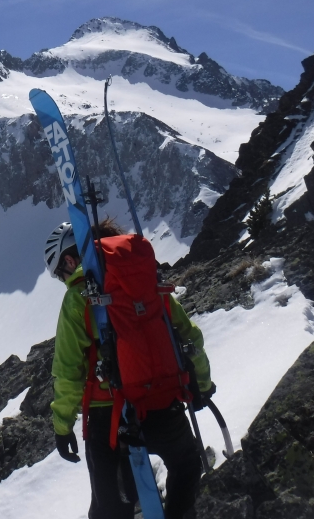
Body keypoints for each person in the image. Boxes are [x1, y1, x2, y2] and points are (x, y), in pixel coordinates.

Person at [45, 220, 215, 519]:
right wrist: (201, 384)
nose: (65, 279)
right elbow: (189, 337)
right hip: (162, 400)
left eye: (62, 271)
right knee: (187, 465)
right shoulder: (146, 282)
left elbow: (69, 371)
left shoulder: (78, 298)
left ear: (70, 260)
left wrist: (62, 426)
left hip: (108, 417)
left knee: (109, 509)